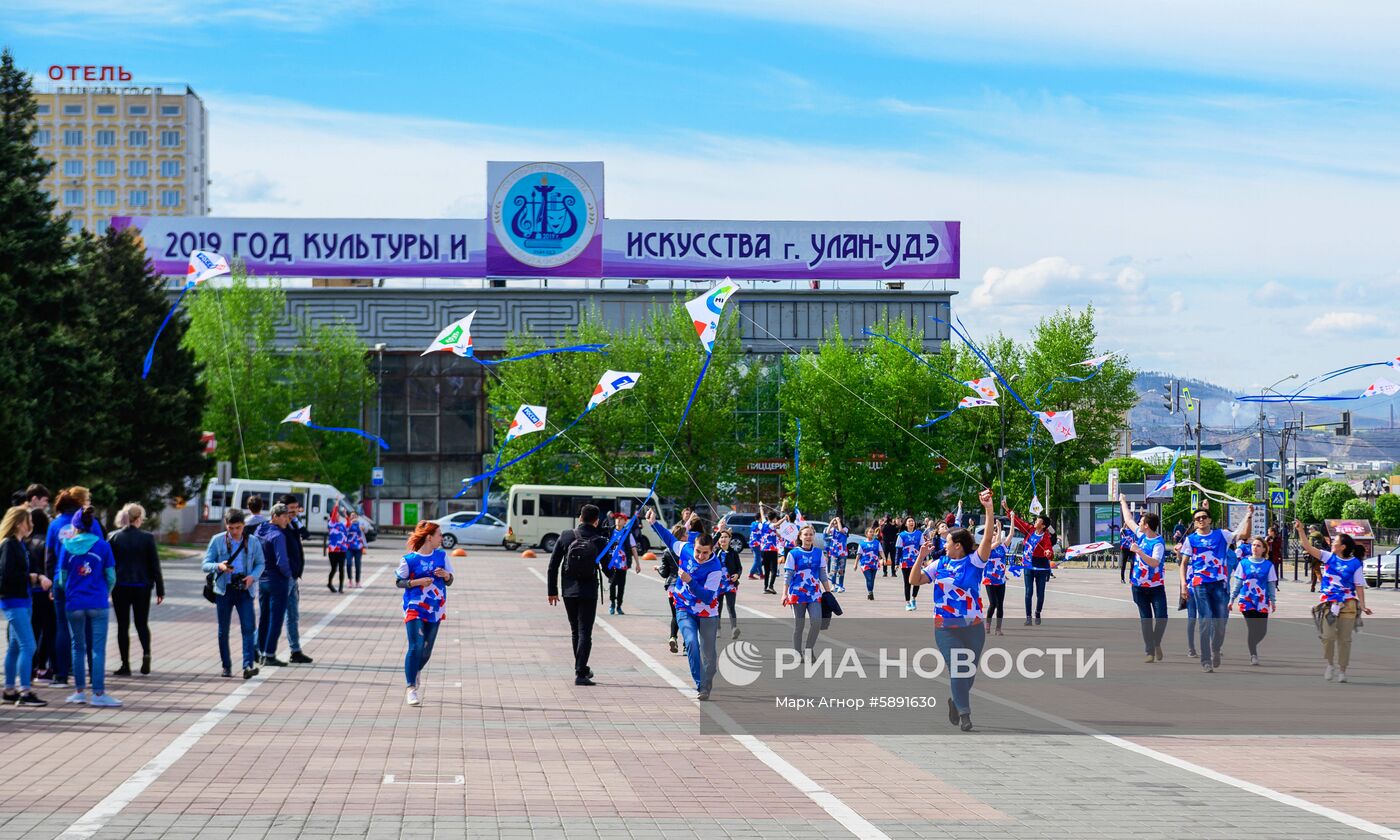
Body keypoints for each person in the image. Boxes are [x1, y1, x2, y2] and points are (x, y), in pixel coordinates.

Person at [909, 489, 996, 732]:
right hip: (946, 627)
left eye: (947, 542)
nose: (944, 544)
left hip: (973, 627)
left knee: (969, 673)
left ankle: (956, 701)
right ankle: (965, 714)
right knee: (959, 667)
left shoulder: (975, 561)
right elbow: (914, 581)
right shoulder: (939, 564)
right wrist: (921, 556)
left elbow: (987, 539)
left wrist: (988, 508)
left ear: (958, 545)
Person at [647, 506, 726, 700]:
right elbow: (669, 538)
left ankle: (708, 679)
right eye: (698, 551)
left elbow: (707, 597)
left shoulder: (715, 568)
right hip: (684, 606)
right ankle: (702, 687)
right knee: (691, 642)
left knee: (709, 652)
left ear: (711, 551)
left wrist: (690, 580)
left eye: (704, 553)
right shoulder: (686, 548)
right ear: (694, 546)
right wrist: (653, 523)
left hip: (707, 611)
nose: (700, 556)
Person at [56, 506, 120, 706]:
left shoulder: (67, 546)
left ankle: (79, 691)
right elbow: (111, 576)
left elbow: (61, 579)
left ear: (75, 527)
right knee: (98, 649)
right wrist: (104, 591)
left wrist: (71, 591)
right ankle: (99, 694)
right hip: (98, 602)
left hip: (74, 603)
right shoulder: (103, 546)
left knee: (78, 647)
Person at [1177, 504, 1252, 672]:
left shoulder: (1221, 535)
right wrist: (1183, 584)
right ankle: (1205, 660)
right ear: (1194, 523)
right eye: (1197, 519)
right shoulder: (1191, 539)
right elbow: (1183, 564)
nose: (1201, 520)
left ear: (1210, 520)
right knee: (1205, 620)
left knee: (1220, 622)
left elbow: (1245, 535)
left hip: (1219, 583)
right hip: (1199, 583)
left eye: (1204, 517)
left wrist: (1249, 516)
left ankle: (1216, 649)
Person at [1295, 520, 1372, 683]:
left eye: (1335, 541)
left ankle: (1343, 670)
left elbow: (1359, 586)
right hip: (1329, 604)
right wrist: (1301, 531)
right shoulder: (1328, 557)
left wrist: (1363, 605)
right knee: (1327, 637)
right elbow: (1308, 548)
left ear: (1342, 546)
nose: (1331, 543)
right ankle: (1330, 664)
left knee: (1345, 640)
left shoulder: (1355, 564)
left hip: (1348, 605)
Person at [44, 487, 102, 688]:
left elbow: (49, 557)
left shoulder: (54, 525)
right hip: (86, 582)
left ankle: (61, 675)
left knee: (62, 627)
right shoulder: (92, 523)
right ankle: (94, 675)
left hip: (62, 580)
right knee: (88, 628)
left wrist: (52, 582)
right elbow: (101, 553)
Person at [546, 504, 608, 686]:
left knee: (575, 630)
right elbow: (608, 570)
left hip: (569, 591)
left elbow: (553, 565)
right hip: (589, 592)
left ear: (580, 518)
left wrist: (552, 591)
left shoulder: (566, 535)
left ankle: (581, 668)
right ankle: (581, 672)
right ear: (596, 521)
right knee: (585, 632)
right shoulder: (600, 540)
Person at [203, 509, 265, 679]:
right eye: (231, 528)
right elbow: (205, 564)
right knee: (223, 630)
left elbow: (261, 563)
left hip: (245, 590)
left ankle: (247, 666)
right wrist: (219, 566)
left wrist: (252, 577)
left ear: (244, 526)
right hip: (224, 590)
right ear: (226, 526)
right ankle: (226, 666)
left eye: (238, 528)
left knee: (248, 628)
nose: (235, 532)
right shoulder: (217, 540)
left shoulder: (252, 541)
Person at [397, 521, 454, 706]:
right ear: (429, 537)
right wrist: (417, 582)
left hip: (435, 609)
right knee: (416, 645)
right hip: (414, 606)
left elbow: (450, 580)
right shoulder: (409, 559)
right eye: (439, 535)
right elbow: (399, 582)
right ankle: (411, 687)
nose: (442, 538)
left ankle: (415, 670)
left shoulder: (442, 556)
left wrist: (445, 575)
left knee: (427, 650)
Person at [108, 503, 164, 677]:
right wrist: (160, 588)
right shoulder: (147, 538)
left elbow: (109, 564)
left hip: (120, 586)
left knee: (122, 625)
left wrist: (106, 586)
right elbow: (155, 564)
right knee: (141, 623)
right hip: (142, 586)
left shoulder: (113, 537)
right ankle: (146, 653)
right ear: (139, 518)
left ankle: (125, 664)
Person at [2, 506, 46, 706]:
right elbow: (6, 575)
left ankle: (10, 688)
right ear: (20, 523)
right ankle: (24, 691)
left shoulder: (21, 544)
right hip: (14, 601)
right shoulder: (9, 545)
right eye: (29, 520)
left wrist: (38, 575)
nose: (32, 524)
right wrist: (31, 577)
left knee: (15, 647)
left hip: (24, 599)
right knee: (29, 645)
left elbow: (30, 567)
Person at [1119, 494, 1167, 662]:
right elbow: (1129, 519)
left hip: (1156, 587)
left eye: (1141, 521)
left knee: (1162, 618)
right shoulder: (1141, 534)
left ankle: (1156, 643)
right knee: (1146, 619)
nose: (1138, 523)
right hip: (1139, 586)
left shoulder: (1158, 543)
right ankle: (1150, 651)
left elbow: (1154, 563)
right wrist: (1122, 501)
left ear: (1147, 526)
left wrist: (1139, 551)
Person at [255, 503, 294, 667]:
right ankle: (269, 654)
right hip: (277, 580)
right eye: (284, 516)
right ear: (275, 517)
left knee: (264, 617)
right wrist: (289, 575)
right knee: (276, 619)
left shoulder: (260, 530)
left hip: (262, 579)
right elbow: (282, 561)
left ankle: (259, 650)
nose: (287, 519)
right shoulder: (278, 535)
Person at [783, 523, 831, 656]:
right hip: (797, 594)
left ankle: (809, 649)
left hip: (814, 594)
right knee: (799, 626)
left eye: (811, 534)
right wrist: (784, 594)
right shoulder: (793, 553)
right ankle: (797, 652)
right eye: (806, 534)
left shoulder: (818, 553)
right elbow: (788, 575)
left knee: (816, 622)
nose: (808, 537)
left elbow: (822, 574)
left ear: (814, 536)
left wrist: (828, 592)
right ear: (800, 536)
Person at [1229, 535, 1277, 666]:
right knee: (1252, 627)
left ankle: (1252, 644)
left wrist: (1273, 601)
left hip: (1262, 601)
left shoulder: (1268, 565)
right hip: (1247, 600)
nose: (1255, 548)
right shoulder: (1244, 563)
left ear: (1264, 549)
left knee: (1262, 631)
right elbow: (1238, 583)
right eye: (1253, 545)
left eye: (1258, 546)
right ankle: (1253, 654)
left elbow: (1271, 585)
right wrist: (1232, 599)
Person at [278, 496, 313, 664]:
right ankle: (257, 647)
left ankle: (295, 650)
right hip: (285, 577)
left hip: (293, 577)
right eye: (290, 508)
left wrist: (297, 522)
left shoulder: (292, 525)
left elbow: (306, 535)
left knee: (293, 615)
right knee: (274, 615)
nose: (294, 511)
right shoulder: (280, 528)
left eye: (296, 508)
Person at [1010, 511, 1057, 626]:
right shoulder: (1030, 530)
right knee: (1028, 591)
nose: (1035, 521)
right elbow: (1018, 522)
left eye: (1038, 520)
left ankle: (1038, 612)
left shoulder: (1046, 536)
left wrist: (1048, 553)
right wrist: (1008, 511)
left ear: (1043, 525)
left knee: (1040, 593)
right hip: (1028, 565)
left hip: (1041, 567)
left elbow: (1050, 552)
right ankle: (1028, 617)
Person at [26, 509, 54, 684]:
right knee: (48, 629)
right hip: (46, 590)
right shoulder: (47, 542)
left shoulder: (25, 542)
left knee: (32, 630)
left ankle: (30, 666)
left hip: (30, 592)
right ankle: (43, 666)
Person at [653, 522, 687, 653]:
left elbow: (665, 573)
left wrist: (657, 568)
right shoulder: (686, 550)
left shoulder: (666, 551)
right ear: (682, 537)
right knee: (686, 615)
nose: (688, 536)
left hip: (672, 588)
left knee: (675, 615)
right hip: (684, 586)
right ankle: (685, 645)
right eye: (686, 534)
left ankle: (673, 637)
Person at [981, 522, 1013, 636]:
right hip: (989, 579)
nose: (995, 535)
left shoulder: (1002, 548)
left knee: (1000, 605)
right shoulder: (987, 548)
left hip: (1000, 580)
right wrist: (998, 528)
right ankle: (987, 625)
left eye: (996, 534)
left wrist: (1013, 519)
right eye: (993, 534)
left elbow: (1011, 534)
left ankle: (998, 628)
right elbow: (998, 541)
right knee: (993, 603)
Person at [605, 513, 638, 615]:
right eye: (616, 519)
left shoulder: (627, 533)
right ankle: (612, 604)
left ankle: (619, 605)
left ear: (625, 521)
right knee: (612, 584)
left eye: (620, 519)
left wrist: (638, 563)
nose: (618, 520)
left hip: (623, 563)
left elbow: (633, 548)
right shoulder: (609, 531)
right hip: (611, 562)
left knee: (621, 585)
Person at [715, 529, 743, 640]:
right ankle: (717, 629)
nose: (723, 539)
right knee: (718, 607)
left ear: (730, 539)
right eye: (721, 537)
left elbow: (739, 568)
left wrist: (737, 574)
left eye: (726, 537)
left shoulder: (733, 553)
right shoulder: (715, 552)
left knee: (731, 606)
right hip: (718, 584)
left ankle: (734, 629)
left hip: (730, 584)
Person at [896, 517, 923, 611]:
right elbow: (898, 550)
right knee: (907, 583)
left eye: (912, 521)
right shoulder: (902, 535)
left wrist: (923, 560)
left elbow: (922, 548)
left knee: (917, 581)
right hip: (905, 562)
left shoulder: (919, 534)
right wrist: (896, 563)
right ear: (905, 524)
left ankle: (913, 598)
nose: (911, 522)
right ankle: (907, 603)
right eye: (909, 521)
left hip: (916, 562)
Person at [758, 508, 781, 594]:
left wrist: (761, 507)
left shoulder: (764, 522)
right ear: (774, 518)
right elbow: (777, 524)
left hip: (764, 550)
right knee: (774, 570)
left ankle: (765, 587)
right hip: (771, 550)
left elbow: (762, 514)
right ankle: (771, 586)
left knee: (766, 570)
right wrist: (784, 518)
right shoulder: (771, 525)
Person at [856, 526, 882, 600]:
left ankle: (870, 591)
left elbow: (880, 551)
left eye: (872, 532)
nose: (872, 533)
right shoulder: (862, 543)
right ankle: (870, 592)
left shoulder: (877, 542)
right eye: (870, 532)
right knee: (869, 578)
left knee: (872, 579)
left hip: (874, 564)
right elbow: (859, 554)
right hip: (865, 564)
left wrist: (884, 558)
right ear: (866, 534)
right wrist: (855, 564)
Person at [326, 507, 347, 593]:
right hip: (333, 550)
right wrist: (337, 503)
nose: (338, 516)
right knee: (334, 569)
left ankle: (341, 587)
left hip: (342, 550)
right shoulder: (331, 524)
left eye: (338, 515)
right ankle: (329, 583)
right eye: (337, 515)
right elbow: (334, 512)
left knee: (341, 568)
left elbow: (348, 523)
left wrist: (346, 515)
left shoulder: (341, 524)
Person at [825, 517, 848, 593]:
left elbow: (841, 531)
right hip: (834, 552)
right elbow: (827, 532)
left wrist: (838, 521)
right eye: (834, 524)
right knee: (833, 569)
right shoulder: (833, 530)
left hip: (842, 553)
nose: (835, 525)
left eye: (836, 523)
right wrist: (831, 523)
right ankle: (833, 585)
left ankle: (840, 585)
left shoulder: (845, 529)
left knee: (841, 569)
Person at [345, 511, 366, 589]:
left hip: (358, 548)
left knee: (358, 565)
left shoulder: (360, 523)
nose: (353, 517)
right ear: (350, 517)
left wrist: (362, 528)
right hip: (349, 547)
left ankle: (357, 581)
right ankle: (350, 580)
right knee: (348, 564)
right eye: (352, 516)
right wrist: (350, 522)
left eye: (355, 516)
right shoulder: (347, 523)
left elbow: (364, 529)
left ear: (357, 517)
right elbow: (345, 531)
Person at [1306, 525, 1326, 592]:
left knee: (1317, 570)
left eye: (1311, 529)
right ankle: (1313, 587)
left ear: (1314, 529)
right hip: (1320, 553)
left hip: (1314, 555)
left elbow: (1309, 546)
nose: (1309, 530)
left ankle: (1324, 587)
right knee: (1315, 570)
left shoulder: (1313, 535)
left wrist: (1306, 551)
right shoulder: (1320, 535)